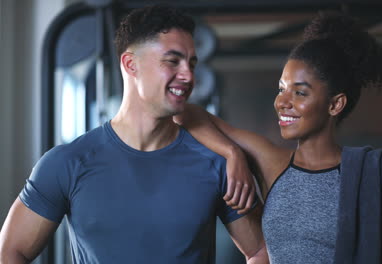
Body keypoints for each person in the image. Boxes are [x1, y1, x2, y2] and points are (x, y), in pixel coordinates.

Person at [0, 5, 268, 264]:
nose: (188, 75)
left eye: (192, 64)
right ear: (130, 64)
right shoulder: (66, 163)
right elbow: (10, 251)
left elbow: (260, 251)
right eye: (173, 61)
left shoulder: (216, 163)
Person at [175, 11, 382, 263]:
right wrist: (232, 152)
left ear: (335, 105)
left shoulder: (367, 176)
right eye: (282, 89)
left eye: (300, 93)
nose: (282, 102)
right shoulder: (273, 163)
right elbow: (185, 113)